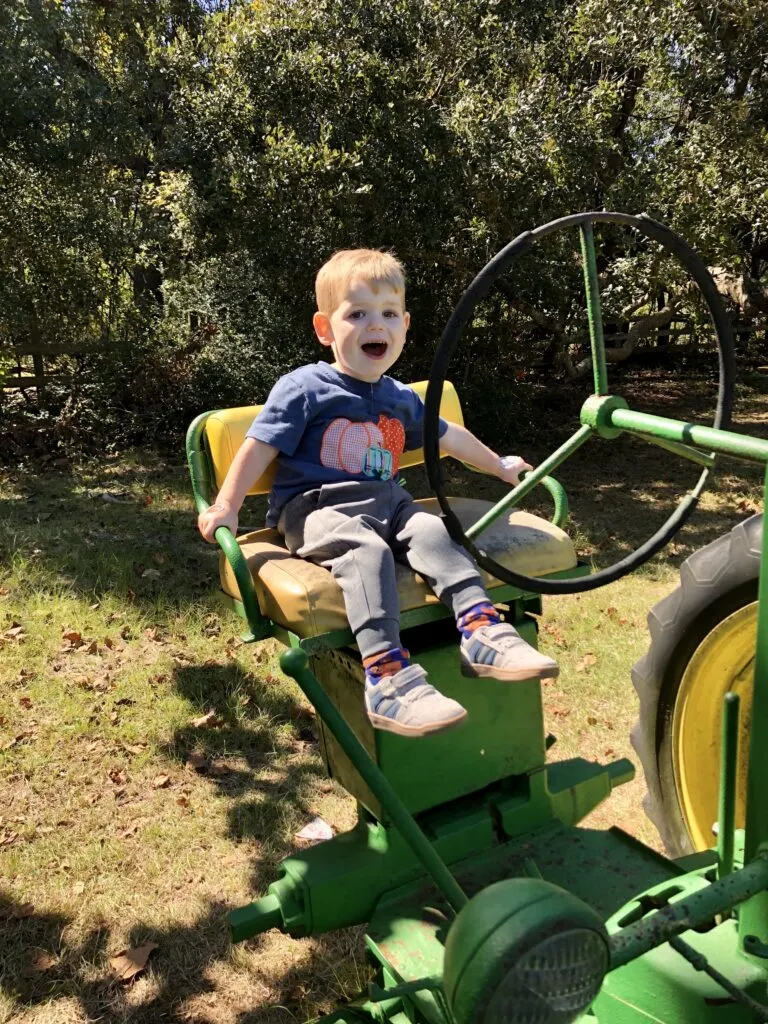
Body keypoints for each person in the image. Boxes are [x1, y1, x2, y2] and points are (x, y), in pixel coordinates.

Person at [198, 249, 558, 738]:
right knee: (365, 552)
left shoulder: (399, 397)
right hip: (318, 508)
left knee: (433, 529)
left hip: (389, 504)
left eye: (389, 314)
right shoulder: (305, 388)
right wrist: (227, 505)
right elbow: (259, 449)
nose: (376, 325)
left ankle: (482, 631)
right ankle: (387, 679)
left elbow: (447, 435)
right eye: (358, 314)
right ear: (325, 329)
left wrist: (498, 465)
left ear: (405, 326)